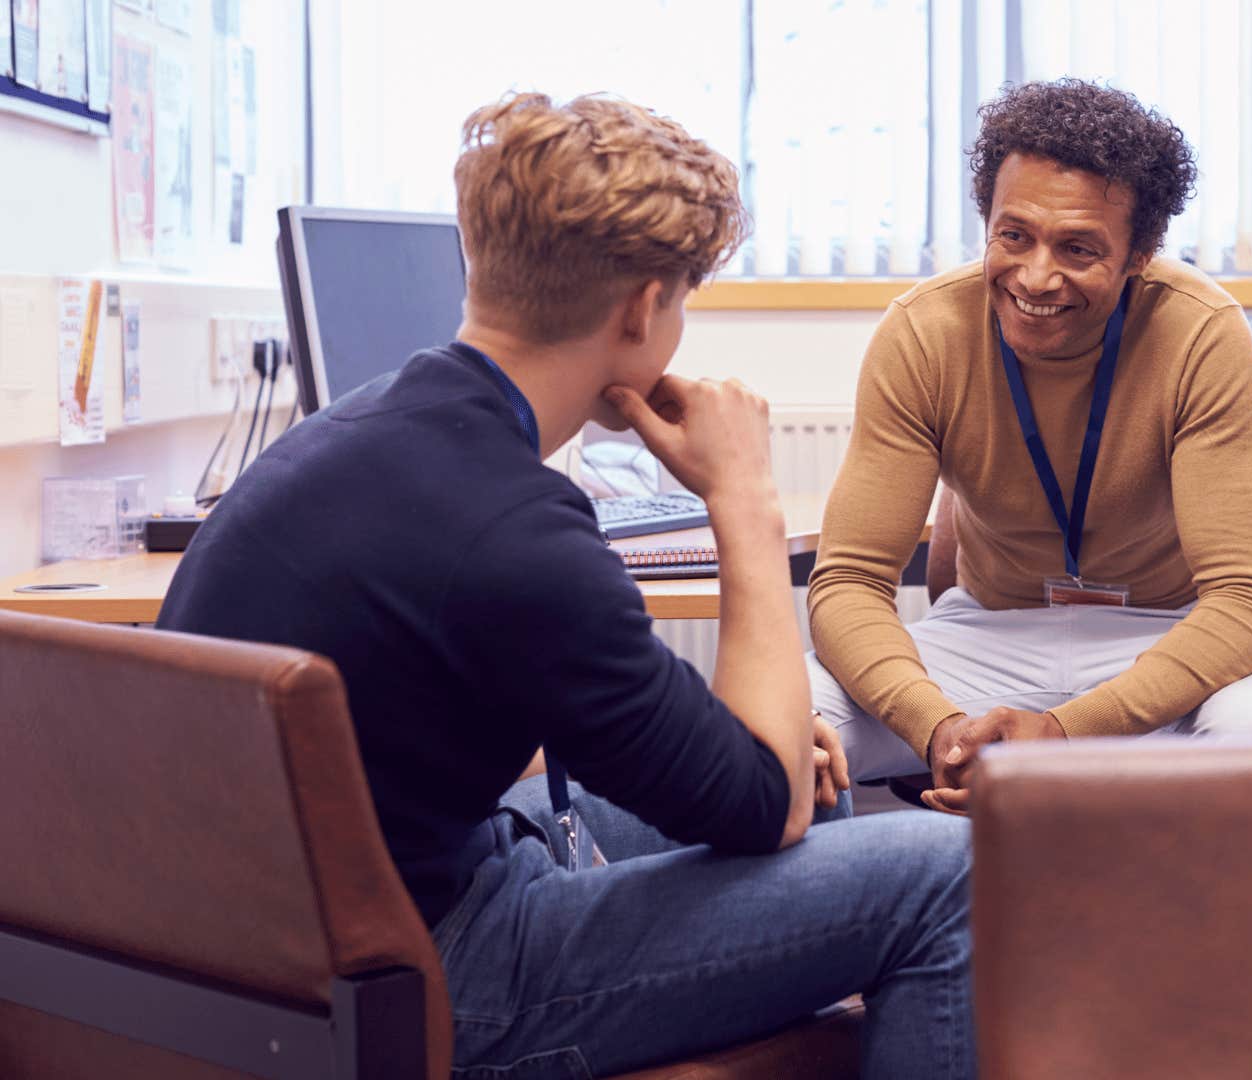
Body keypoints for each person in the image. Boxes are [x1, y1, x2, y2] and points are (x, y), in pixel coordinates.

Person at [157, 92, 974, 1078]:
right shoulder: (516, 532)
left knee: (816, 781)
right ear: (642, 308)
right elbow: (760, 807)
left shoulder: (352, 431)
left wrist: (748, 756)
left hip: (270, 948)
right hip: (424, 976)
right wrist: (744, 501)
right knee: (950, 874)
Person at [808, 79, 1252, 813]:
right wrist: (941, 729)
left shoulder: (1200, 332)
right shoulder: (924, 333)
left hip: (1163, 636)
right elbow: (849, 583)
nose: (1036, 276)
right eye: (1014, 235)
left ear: (1139, 252)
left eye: (1078, 248)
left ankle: (1201, 932)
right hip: (988, 637)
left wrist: (1066, 731)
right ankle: (865, 918)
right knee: (779, 724)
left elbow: (1247, 604)